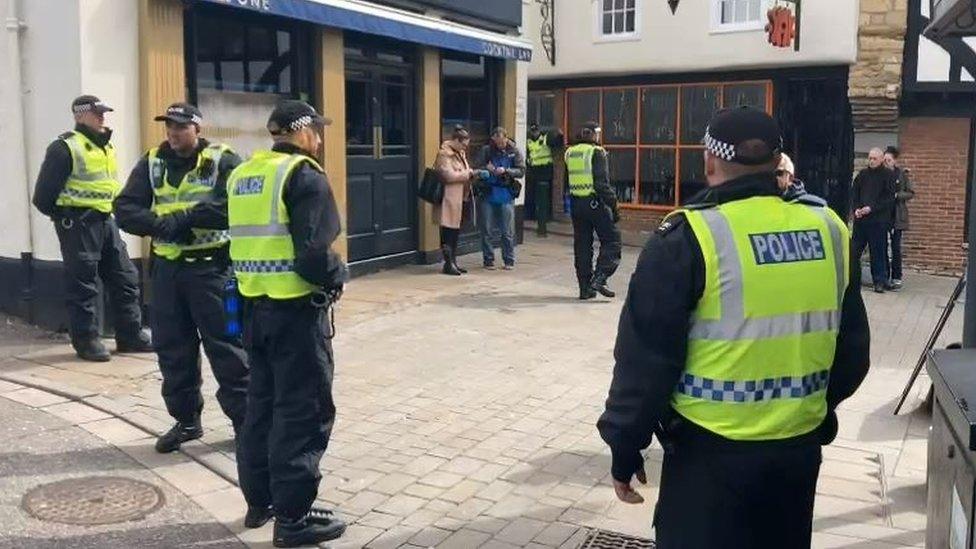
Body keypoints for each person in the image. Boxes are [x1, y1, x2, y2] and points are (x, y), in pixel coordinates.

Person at [597, 107, 871, 549]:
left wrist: (624, 447)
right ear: (777, 161)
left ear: (709, 161)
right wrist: (808, 409)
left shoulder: (689, 236)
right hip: (796, 453)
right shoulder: (830, 228)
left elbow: (644, 362)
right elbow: (854, 352)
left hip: (709, 457)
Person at [228, 100, 348, 547]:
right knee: (303, 412)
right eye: (318, 130)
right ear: (304, 132)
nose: (320, 138)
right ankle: (293, 519)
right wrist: (340, 274)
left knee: (260, 407)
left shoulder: (243, 175)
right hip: (296, 316)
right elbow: (314, 255)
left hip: (254, 310)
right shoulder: (304, 175)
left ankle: (261, 502)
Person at [114, 102, 249, 453]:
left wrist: (186, 219)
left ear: (197, 129)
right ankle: (187, 421)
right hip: (167, 272)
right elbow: (126, 209)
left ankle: (247, 424)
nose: (173, 134)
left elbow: (235, 205)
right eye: (169, 127)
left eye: (181, 127)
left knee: (229, 350)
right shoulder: (152, 162)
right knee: (173, 350)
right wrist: (164, 227)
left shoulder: (223, 160)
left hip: (215, 271)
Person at [31, 95, 152, 362]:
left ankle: (130, 335)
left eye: (103, 113)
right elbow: (42, 198)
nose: (102, 117)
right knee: (83, 284)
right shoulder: (64, 148)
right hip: (79, 225)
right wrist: (67, 217)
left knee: (126, 278)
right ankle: (86, 340)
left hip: (106, 221)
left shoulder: (105, 147)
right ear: (79, 115)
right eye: (96, 113)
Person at [564, 121, 621, 300]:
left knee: (582, 246)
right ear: (592, 134)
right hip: (595, 203)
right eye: (597, 133)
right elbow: (601, 184)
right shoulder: (597, 152)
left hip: (576, 204)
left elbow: (567, 182)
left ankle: (584, 288)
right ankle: (600, 277)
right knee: (612, 240)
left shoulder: (570, 152)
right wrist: (614, 205)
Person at [475, 127, 524, 270]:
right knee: (486, 229)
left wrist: (506, 171)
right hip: (488, 193)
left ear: (506, 138)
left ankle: (509, 260)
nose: (500, 145)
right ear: (493, 139)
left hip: (506, 194)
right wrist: (487, 169)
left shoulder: (514, 151)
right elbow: (476, 167)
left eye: (502, 142)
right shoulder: (486, 151)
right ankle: (488, 259)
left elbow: (521, 171)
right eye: (497, 142)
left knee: (507, 231)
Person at [851, 147, 897, 293]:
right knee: (854, 251)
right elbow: (854, 193)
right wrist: (856, 209)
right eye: (869, 158)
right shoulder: (862, 175)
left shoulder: (888, 175)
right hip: (861, 221)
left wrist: (872, 208)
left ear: (882, 159)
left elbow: (888, 199)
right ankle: (851, 278)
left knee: (878, 252)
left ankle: (879, 281)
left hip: (878, 221)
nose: (871, 161)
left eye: (874, 159)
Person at [434, 125, 475, 276]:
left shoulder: (460, 153)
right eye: (463, 144)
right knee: (448, 232)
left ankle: (453, 262)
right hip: (448, 199)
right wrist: (468, 174)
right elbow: (447, 176)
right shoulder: (444, 154)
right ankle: (448, 263)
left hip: (460, 198)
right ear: (456, 141)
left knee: (456, 232)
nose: (465, 147)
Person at [526, 123, 564, 236]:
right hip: (533, 174)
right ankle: (536, 221)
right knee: (536, 200)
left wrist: (560, 135)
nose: (534, 133)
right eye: (533, 132)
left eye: (536, 131)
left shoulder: (545, 139)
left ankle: (542, 228)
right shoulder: (528, 141)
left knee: (543, 202)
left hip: (544, 174)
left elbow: (557, 143)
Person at [884, 146, 914, 290]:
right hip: (883, 215)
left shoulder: (901, 175)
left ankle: (897, 276)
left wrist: (897, 195)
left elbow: (910, 192)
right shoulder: (881, 174)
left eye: (889, 160)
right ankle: (884, 275)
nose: (886, 163)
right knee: (883, 246)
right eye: (885, 160)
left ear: (895, 161)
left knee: (895, 247)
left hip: (896, 215)